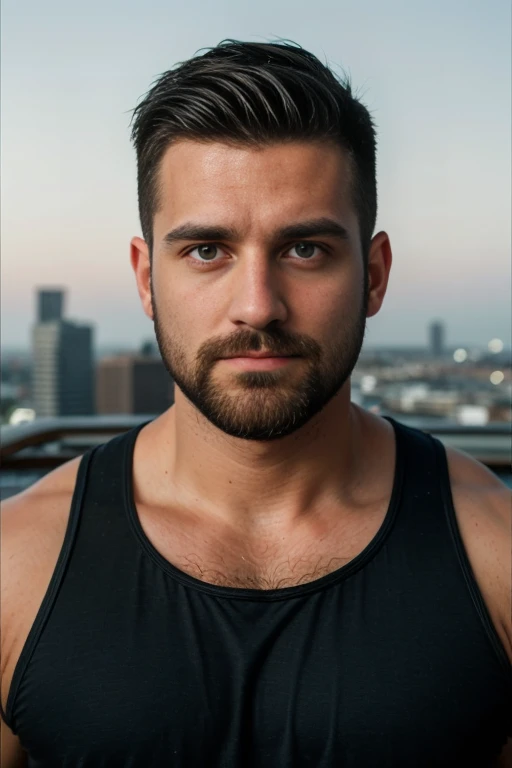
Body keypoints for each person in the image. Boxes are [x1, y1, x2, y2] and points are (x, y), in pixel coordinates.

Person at [1, 39, 511, 768]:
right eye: (207, 250)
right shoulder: (15, 566)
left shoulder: (497, 553)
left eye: (305, 250)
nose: (257, 306)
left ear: (373, 275)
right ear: (147, 279)